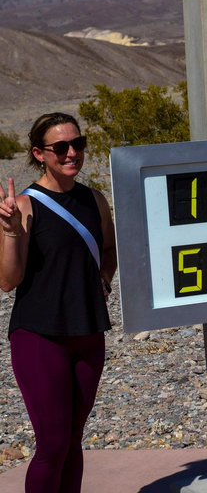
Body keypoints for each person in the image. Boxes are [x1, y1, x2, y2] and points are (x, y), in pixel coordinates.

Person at [0, 113, 116, 493]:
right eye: (61, 147)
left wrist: (101, 283)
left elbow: (108, 251)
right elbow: (7, 281)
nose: (72, 153)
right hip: (39, 336)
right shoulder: (24, 206)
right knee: (52, 445)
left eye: (78, 144)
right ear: (39, 153)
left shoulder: (94, 200)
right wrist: (12, 233)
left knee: (73, 441)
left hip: (87, 332)